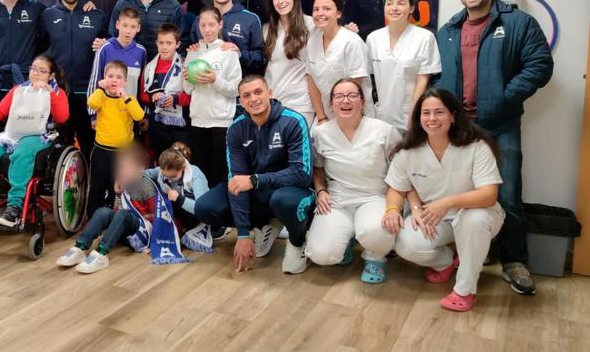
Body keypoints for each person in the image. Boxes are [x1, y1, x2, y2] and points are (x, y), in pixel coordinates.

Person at [434, 0, 553, 296]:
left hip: (501, 126)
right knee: (461, 192)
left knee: (508, 194)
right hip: (460, 129)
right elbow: (435, 75)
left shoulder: (518, 23)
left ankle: (514, 262)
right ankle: (471, 254)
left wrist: (506, 96)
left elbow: (540, 64)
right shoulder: (448, 31)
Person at [382, 88, 505, 311]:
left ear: (453, 116)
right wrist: (392, 210)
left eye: (439, 112)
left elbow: (489, 195)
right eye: (426, 113)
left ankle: (464, 290)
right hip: (436, 218)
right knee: (406, 244)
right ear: (418, 118)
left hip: (478, 214)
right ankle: (447, 262)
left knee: (473, 220)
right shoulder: (408, 151)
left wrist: (446, 203)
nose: (432, 118)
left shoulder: (477, 146)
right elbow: (397, 188)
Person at [194, 75, 314, 274]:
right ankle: (263, 225)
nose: (253, 99)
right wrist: (242, 234)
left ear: (270, 93)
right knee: (205, 207)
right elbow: (237, 180)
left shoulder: (293, 121)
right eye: (247, 95)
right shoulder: (236, 128)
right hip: (256, 189)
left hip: (289, 189)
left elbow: (302, 173)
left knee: (284, 201)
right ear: (241, 101)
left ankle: (297, 242)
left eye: (258, 92)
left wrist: (256, 180)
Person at [304, 79, 401, 283]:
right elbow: (318, 168)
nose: (345, 100)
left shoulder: (384, 130)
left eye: (352, 95)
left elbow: (400, 170)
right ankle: (345, 240)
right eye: (339, 96)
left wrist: (395, 206)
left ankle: (375, 257)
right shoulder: (321, 133)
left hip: (374, 197)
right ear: (331, 104)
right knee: (321, 253)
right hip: (338, 200)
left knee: (375, 231)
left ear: (363, 102)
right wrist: (321, 191)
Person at [0, 54, 70, 227]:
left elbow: (62, 117)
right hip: (13, 134)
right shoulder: (19, 90)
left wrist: (49, 92)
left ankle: (14, 206)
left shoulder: (57, 92)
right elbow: (0, 110)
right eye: (33, 69)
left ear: (51, 75)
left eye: (42, 71)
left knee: (22, 152)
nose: (36, 73)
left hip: (40, 135)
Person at [56, 143, 156, 274]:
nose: (122, 171)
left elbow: (157, 215)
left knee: (123, 214)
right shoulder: (123, 182)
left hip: (140, 233)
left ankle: (101, 254)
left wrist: (155, 244)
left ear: (140, 168)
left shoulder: (147, 185)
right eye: (121, 168)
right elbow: (118, 210)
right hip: (125, 229)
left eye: (126, 168)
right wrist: (110, 229)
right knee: (103, 211)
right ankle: (80, 247)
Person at [37, 0, 107, 156]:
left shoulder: (97, 15)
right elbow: (41, 50)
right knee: (58, 146)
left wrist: (105, 43)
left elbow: (110, 47)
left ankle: (90, 175)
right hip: (59, 92)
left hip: (88, 93)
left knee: (91, 146)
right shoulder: (47, 15)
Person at [366, 0, 441, 134]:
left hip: (410, 113)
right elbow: (370, 80)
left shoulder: (424, 37)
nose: (394, 8)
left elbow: (423, 79)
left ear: (411, 8)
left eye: (401, 3)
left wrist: (414, 113)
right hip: (381, 113)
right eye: (389, 3)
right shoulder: (373, 38)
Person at [183, 7, 242, 187]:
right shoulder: (193, 52)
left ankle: (222, 204)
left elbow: (235, 89)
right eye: (203, 25)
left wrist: (215, 80)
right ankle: (201, 204)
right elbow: (187, 89)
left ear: (220, 25)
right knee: (200, 172)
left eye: (211, 24)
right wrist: (189, 79)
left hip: (221, 122)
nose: (207, 29)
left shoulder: (229, 52)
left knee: (221, 173)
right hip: (198, 120)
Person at [86, 60, 146, 218]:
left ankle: (114, 217)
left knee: (118, 186)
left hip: (122, 153)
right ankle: (93, 217)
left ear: (125, 81)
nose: (114, 80)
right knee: (97, 185)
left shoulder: (128, 99)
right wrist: (100, 88)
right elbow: (92, 103)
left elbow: (139, 115)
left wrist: (124, 96)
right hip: (101, 150)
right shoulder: (101, 97)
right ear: (104, 78)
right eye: (110, 76)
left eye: (119, 77)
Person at [306, 0, 374, 124]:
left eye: (326, 9)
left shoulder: (351, 41)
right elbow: (312, 81)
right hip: (326, 118)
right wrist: (321, 117)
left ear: (338, 13)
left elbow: (355, 86)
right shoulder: (312, 41)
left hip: (355, 117)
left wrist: (344, 121)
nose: (320, 13)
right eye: (316, 9)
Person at [190, 0, 264, 75]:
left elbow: (261, 58)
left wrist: (239, 54)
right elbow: (191, 53)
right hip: (206, 83)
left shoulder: (251, 19)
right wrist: (193, 51)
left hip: (240, 83)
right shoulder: (199, 20)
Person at [262, 0, 316, 125]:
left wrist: (348, 30)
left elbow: (332, 35)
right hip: (273, 102)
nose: (281, 1)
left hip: (301, 103)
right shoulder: (267, 29)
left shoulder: (311, 25)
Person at [140, 23, 191, 157]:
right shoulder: (149, 67)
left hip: (181, 126)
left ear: (177, 44)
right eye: (161, 43)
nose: (165, 47)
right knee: (160, 160)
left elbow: (193, 96)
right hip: (158, 125)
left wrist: (175, 99)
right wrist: (152, 97)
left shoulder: (185, 66)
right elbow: (142, 95)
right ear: (156, 43)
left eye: (169, 43)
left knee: (181, 162)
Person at [88, 8, 147, 101]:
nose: (128, 31)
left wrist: (141, 109)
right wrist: (92, 108)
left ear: (138, 28)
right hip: (107, 108)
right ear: (117, 24)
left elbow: (142, 86)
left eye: (133, 27)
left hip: (130, 108)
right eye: (125, 25)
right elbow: (95, 82)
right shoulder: (104, 49)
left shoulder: (141, 52)